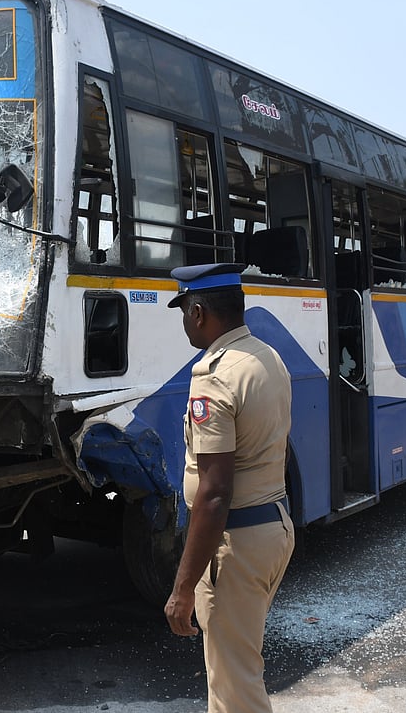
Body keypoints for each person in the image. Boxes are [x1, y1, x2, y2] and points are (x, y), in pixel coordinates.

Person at [163, 263, 294, 713]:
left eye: (183, 312)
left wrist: (182, 588)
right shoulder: (266, 357)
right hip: (273, 528)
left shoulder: (214, 375)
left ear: (198, 312)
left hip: (235, 545)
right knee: (236, 672)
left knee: (235, 690)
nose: (184, 324)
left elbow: (215, 493)